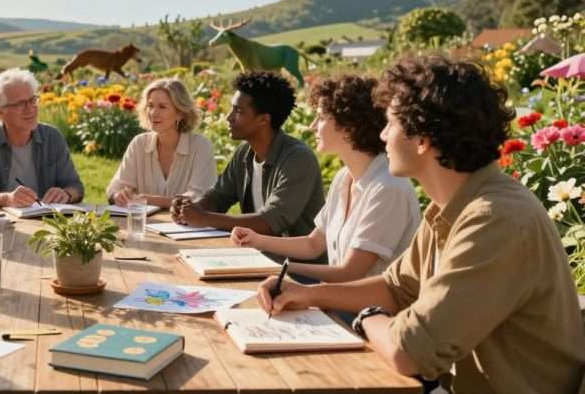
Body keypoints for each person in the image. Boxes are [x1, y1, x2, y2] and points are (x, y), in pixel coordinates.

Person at [257, 56, 585, 393]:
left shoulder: (494, 219)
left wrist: (368, 316)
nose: (382, 134)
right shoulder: (455, 207)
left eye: (390, 123)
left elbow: (408, 352)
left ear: (422, 138)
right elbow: (396, 288)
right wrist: (308, 294)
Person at [232, 75, 420, 282]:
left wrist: (281, 271)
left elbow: (349, 273)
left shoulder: (388, 188)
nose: (312, 126)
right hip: (339, 301)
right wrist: (256, 240)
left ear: (348, 126)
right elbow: (313, 244)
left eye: (321, 118)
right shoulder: (344, 177)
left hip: (368, 311)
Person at [170, 71, 324, 243]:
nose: (229, 117)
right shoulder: (244, 153)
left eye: (238, 111)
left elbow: (269, 222)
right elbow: (219, 197)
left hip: (294, 266)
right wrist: (191, 208)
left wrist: (204, 218)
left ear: (263, 119)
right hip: (256, 256)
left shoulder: (298, 159)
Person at [0, 68, 84, 209]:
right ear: (0, 111)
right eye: (20, 104)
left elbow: (76, 187)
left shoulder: (52, 137)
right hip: (0, 226)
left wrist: (66, 194)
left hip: (47, 224)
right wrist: (7, 199)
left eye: (32, 100)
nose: (30, 108)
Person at [106, 78, 217, 209]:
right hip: (144, 224)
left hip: (188, 227)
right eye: (150, 106)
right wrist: (118, 195)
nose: (153, 113)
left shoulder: (201, 146)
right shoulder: (139, 143)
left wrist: (148, 200)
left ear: (180, 113)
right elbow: (115, 187)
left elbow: (200, 198)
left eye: (162, 107)